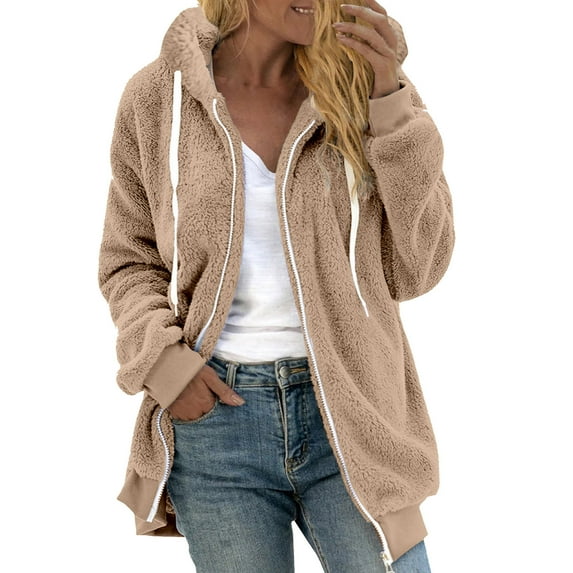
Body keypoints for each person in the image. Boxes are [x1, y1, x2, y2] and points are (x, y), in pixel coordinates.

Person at [98, 0, 455, 571]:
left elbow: (420, 267)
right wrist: (166, 366)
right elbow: (129, 259)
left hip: (352, 414)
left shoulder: (364, 89)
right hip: (217, 426)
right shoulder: (157, 97)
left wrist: (389, 101)